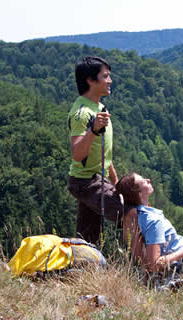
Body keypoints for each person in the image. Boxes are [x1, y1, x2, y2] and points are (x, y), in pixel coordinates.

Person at [67, 56, 123, 245]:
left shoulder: (99, 107)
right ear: (90, 80)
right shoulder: (82, 113)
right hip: (86, 181)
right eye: (105, 76)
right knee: (130, 213)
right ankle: (152, 265)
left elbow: (104, 153)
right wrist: (92, 130)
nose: (110, 81)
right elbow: (77, 154)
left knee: (87, 238)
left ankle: (81, 271)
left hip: (96, 178)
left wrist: (117, 183)